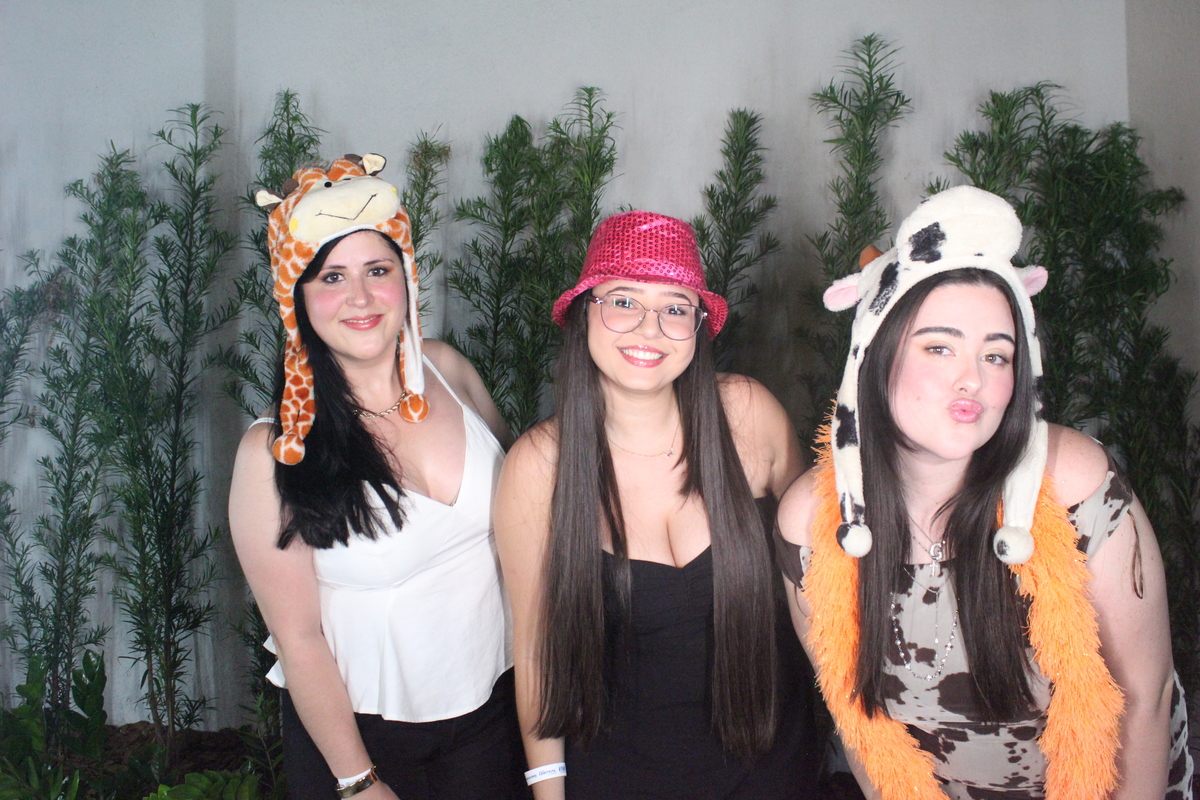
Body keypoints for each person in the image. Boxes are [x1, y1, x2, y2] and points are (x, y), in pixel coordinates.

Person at [776, 186, 1193, 800]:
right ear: (876, 357)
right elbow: (857, 724)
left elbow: (1145, 699)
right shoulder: (815, 520)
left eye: (997, 356)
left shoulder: (1073, 483)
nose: (972, 377)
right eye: (939, 347)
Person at [494, 211, 821, 800]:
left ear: (698, 327)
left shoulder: (749, 415)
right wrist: (549, 792)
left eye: (675, 308)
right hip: (620, 775)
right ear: (583, 313)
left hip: (774, 758)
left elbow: (820, 576)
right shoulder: (538, 465)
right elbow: (537, 654)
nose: (649, 329)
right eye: (623, 302)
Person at [229, 154, 523, 800]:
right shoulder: (272, 454)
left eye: (377, 270)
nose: (359, 298)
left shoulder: (451, 370)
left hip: (497, 714)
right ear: (296, 296)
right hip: (364, 740)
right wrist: (359, 782)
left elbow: (526, 518)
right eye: (331, 276)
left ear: (406, 276)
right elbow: (298, 638)